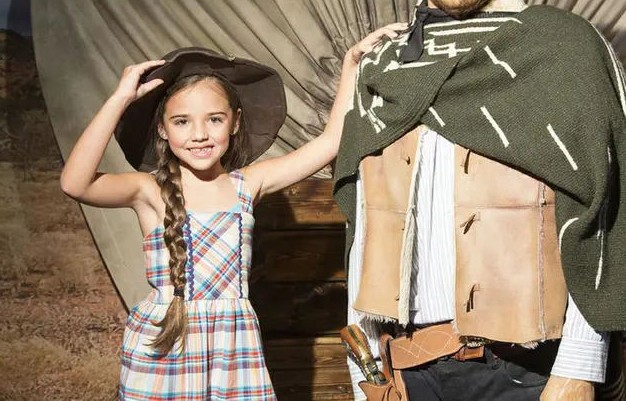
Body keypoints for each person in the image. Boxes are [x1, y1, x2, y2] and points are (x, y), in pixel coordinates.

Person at [335, 0, 626, 401]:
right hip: (405, 371)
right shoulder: (384, 69)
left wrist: (578, 369)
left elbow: (603, 212)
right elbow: (366, 222)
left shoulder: (563, 51)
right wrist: (365, 368)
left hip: (527, 374)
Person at [59, 27, 405, 400]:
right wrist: (119, 99)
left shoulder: (247, 184)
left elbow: (329, 141)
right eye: (182, 122)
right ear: (162, 129)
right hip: (164, 344)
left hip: (233, 348)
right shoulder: (149, 191)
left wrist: (351, 63)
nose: (199, 134)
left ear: (235, 122)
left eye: (214, 119)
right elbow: (75, 183)